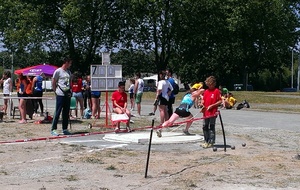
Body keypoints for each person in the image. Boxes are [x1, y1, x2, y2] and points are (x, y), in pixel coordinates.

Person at [51, 58, 73, 136]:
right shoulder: (58, 71)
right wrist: (55, 91)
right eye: (69, 63)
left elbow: (70, 82)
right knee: (58, 111)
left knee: (66, 112)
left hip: (67, 94)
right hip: (60, 94)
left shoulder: (68, 72)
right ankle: (53, 128)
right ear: (66, 62)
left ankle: (65, 128)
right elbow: (53, 81)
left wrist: (71, 91)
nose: (70, 65)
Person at [200, 76, 222, 148]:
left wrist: (212, 105)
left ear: (214, 84)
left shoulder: (216, 91)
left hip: (212, 112)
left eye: (211, 84)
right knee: (205, 126)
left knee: (211, 126)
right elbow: (204, 100)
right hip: (205, 112)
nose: (209, 86)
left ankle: (211, 141)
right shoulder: (206, 91)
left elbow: (220, 101)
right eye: (208, 85)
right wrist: (202, 103)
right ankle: (206, 140)